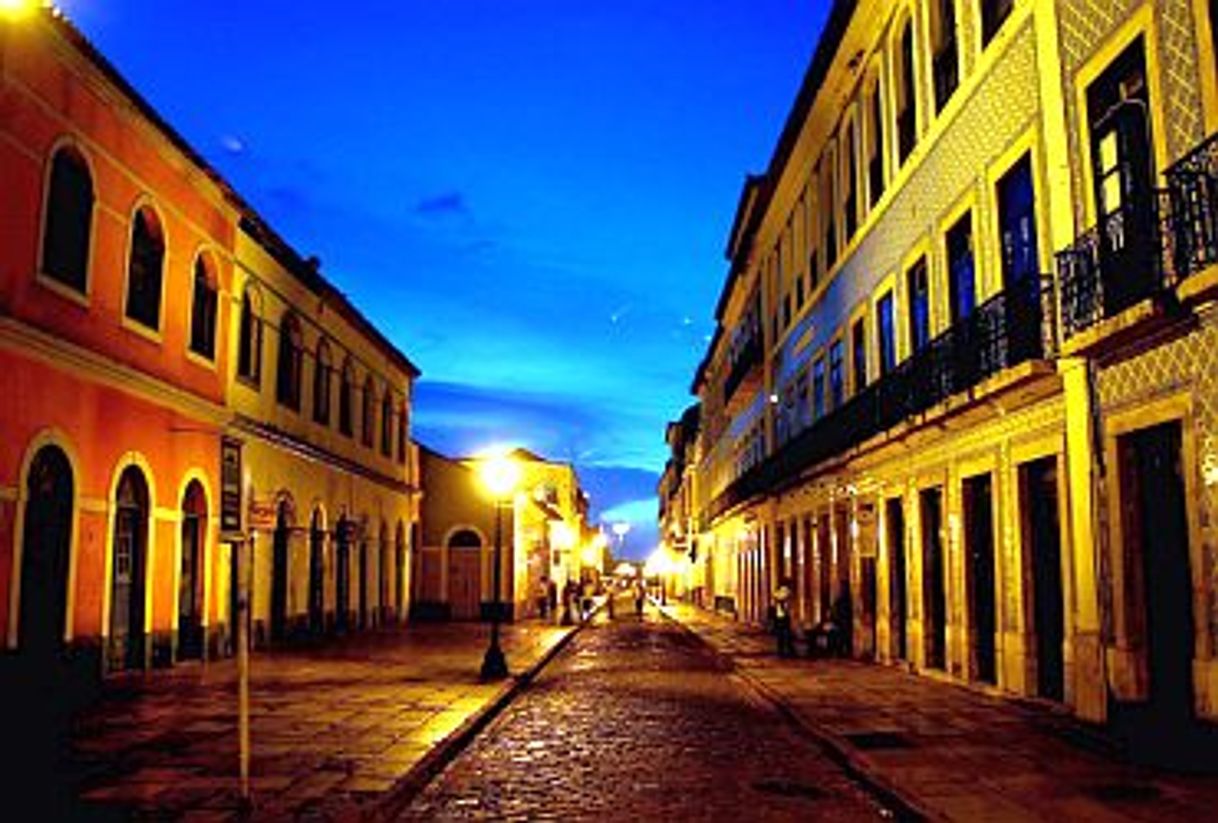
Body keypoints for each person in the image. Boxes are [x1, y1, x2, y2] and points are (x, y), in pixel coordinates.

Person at [773, 579, 795, 658]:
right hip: (784, 616)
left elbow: (776, 596)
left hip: (779, 615)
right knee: (786, 634)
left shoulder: (778, 591)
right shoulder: (786, 591)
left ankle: (782, 651)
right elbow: (783, 599)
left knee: (781, 635)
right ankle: (787, 650)